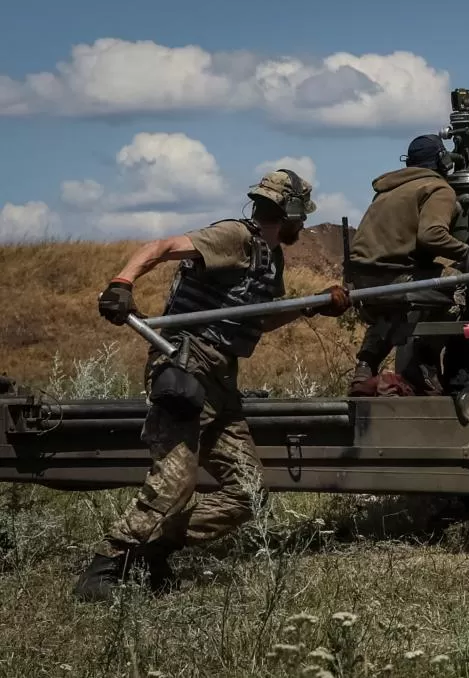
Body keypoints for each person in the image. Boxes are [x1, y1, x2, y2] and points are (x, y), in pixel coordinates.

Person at [73, 169, 351, 602]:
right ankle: (107, 566)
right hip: (189, 365)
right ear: (290, 211)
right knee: (175, 481)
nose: (303, 224)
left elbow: (257, 318)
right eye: (302, 215)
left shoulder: (270, 256)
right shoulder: (233, 237)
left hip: (222, 379)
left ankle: (155, 548)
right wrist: (122, 283)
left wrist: (312, 307)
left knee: (247, 494)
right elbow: (161, 247)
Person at [346, 133, 469, 396]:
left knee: (392, 309)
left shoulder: (389, 189)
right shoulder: (438, 189)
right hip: (397, 279)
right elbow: (431, 234)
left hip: (361, 280)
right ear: (443, 161)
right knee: (461, 286)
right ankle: (423, 360)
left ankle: (365, 366)